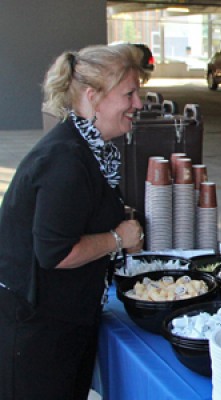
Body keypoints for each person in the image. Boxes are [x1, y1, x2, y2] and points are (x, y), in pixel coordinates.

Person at [0, 43, 147, 399]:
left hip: (65, 320)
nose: (139, 104)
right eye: (129, 93)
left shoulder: (90, 149)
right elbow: (55, 252)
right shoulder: (65, 160)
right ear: (93, 96)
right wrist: (117, 238)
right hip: (38, 332)